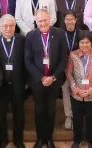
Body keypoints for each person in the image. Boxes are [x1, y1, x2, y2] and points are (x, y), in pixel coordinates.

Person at [24, 9, 68, 148]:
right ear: (36, 22)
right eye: (40, 21)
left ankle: (49, 139)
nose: (42, 23)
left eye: (45, 20)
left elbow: (64, 58)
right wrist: (42, 77)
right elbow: (28, 60)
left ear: (49, 19)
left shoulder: (60, 34)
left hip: (54, 81)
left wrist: (53, 77)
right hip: (38, 82)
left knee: (51, 110)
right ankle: (39, 138)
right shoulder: (30, 36)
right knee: (39, 110)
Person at [0, 14, 26, 148]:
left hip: (18, 83)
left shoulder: (22, 40)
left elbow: (27, 61)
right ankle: (2, 139)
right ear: (0, 27)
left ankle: (18, 140)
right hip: (1, 85)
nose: (8, 28)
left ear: (15, 27)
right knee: (1, 114)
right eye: (5, 26)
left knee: (19, 114)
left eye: (11, 26)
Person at [66, 34, 92, 148]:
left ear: (91, 43)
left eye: (87, 42)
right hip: (77, 94)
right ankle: (77, 140)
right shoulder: (73, 55)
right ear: (79, 43)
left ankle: (90, 141)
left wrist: (91, 90)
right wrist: (76, 89)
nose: (84, 45)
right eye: (82, 43)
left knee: (91, 119)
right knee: (77, 118)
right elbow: (69, 73)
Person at [60, 11, 87, 130]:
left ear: (76, 20)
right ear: (64, 21)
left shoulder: (81, 33)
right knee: (66, 90)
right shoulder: (59, 34)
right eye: (67, 19)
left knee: (78, 90)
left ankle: (78, 116)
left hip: (79, 67)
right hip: (64, 67)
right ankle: (68, 116)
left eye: (72, 19)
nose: (70, 22)